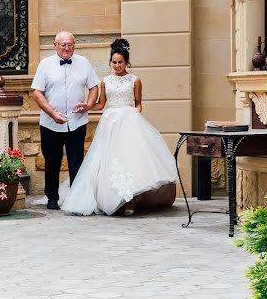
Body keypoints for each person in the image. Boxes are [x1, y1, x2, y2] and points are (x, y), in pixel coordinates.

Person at [60, 38, 177, 216]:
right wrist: (87, 107)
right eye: (114, 62)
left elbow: (138, 104)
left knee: (129, 159)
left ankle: (130, 200)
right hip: (110, 123)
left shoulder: (135, 80)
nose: (117, 66)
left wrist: (133, 114)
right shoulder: (105, 81)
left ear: (126, 62)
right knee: (107, 160)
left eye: (120, 62)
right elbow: (101, 104)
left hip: (129, 123)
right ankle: (113, 198)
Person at [31, 31, 100, 210]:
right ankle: (52, 198)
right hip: (50, 123)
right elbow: (37, 93)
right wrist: (53, 114)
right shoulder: (45, 64)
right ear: (55, 45)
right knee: (52, 161)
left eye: (70, 44)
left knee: (76, 161)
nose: (67, 48)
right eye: (63, 45)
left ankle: (77, 200)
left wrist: (89, 105)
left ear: (74, 45)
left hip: (77, 122)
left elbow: (94, 87)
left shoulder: (84, 62)